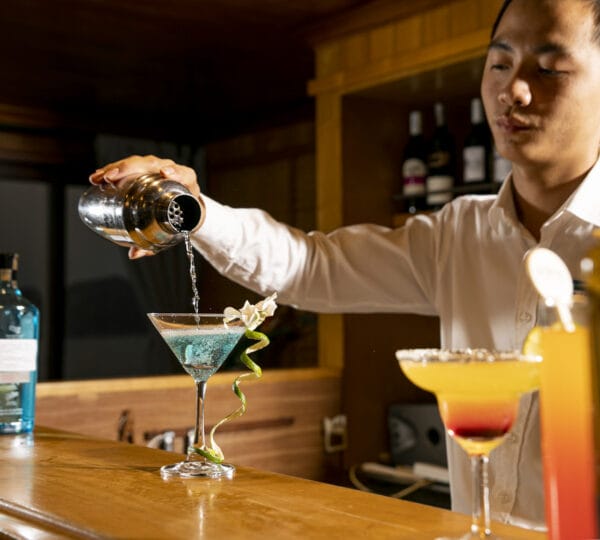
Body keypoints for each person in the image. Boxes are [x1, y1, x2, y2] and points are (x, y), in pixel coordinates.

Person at [89, 0, 600, 530]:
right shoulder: (460, 234)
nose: (513, 90)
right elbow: (311, 266)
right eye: (500, 63)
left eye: (549, 69)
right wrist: (192, 211)